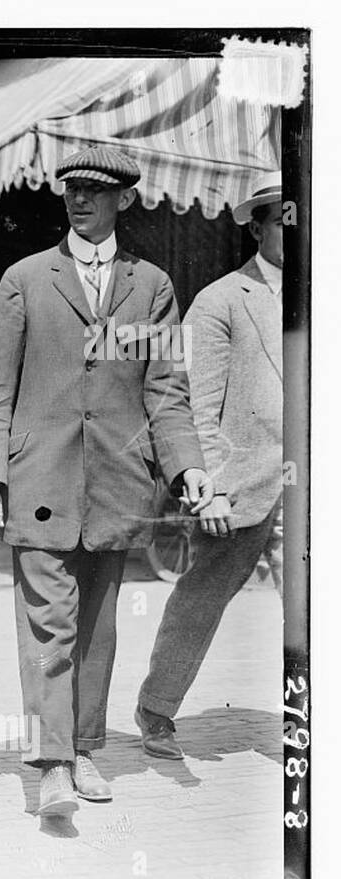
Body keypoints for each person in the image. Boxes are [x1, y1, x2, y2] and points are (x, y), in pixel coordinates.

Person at [0, 146, 212, 819]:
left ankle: (82, 749)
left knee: (99, 627)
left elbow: (166, 390)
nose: (80, 201)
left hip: (115, 483)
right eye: (72, 189)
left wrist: (187, 466)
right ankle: (51, 767)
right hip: (38, 476)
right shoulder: (24, 279)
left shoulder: (153, 286)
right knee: (50, 625)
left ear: (123, 201)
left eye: (96, 193)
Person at [134, 172, 285, 760]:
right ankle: (157, 708)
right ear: (257, 227)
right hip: (243, 486)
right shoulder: (222, 299)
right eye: (283, 222)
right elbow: (195, 404)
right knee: (203, 596)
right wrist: (212, 489)